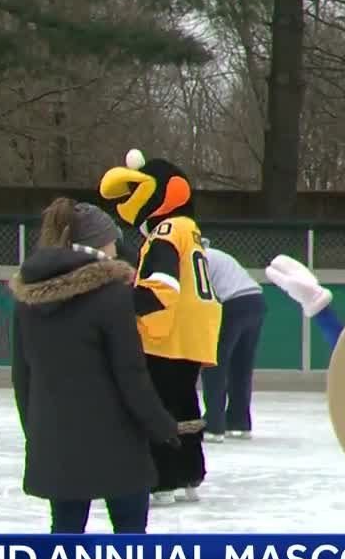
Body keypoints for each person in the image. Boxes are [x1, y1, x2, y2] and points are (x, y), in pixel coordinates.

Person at [8, 197, 180, 559]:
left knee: (66, 529)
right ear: (97, 244)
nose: (115, 247)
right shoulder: (111, 295)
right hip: (114, 436)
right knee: (129, 531)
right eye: (111, 240)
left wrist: (36, 432)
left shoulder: (27, 298)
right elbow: (130, 373)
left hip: (55, 436)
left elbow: (22, 375)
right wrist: (161, 424)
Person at [99, 149, 223, 506]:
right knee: (184, 401)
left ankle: (164, 478)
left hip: (166, 333)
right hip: (194, 332)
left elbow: (162, 287)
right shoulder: (190, 230)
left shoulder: (166, 231)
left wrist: (124, 304)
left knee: (160, 405)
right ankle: (189, 473)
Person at [200, 239, 267, 442]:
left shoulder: (196, 259)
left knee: (214, 364)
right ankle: (239, 422)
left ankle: (214, 425)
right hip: (255, 301)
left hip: (232, 305)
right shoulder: (219, 255)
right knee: (241, 366)